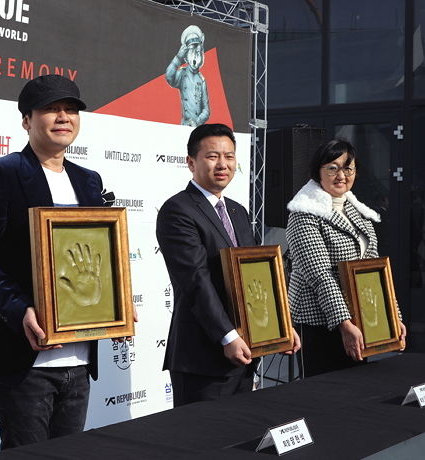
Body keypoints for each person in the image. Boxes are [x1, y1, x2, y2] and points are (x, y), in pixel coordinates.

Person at [0, 74, 111, 449]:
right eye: (51, 109)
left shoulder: (89, 181)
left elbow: (96, 254)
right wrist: (18, 308)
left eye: (71, 109)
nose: (63, 117)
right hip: (24, 358)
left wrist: (114, 299)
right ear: (27, 120)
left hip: (80, 357)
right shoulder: (3, 172)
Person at [156, 123, 300, 406]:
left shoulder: (238, 211)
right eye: (212, 156)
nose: (223, 164)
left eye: (229, 156)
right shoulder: (178, 210)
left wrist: (280, 325)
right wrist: (227, 336)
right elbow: (196, 281)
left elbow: (255, 276)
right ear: (191, 162)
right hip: (204, 357)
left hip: (246, 352)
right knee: (201, 432)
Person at [286, 139, 406, 377]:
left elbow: (375, 271)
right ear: (318, 171)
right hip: (320, 323)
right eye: (332, 168)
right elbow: (321, 276)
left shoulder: (357, 211)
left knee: (355, 389)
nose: (341, 175)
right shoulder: (304, 213)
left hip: (360, 320)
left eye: (348, 168)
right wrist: (344, 323)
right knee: (324, 391)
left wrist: (393, 317)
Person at [165, 24, 210, 128]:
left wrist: (197, 122)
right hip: (185, 125)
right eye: (192, 50)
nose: (196, 53)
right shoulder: (182, 73)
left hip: (197, 127)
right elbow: (169, 77)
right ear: (186, 57)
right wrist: (178, 58)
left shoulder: (202, 80)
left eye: (198, 50)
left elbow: (206, 110)